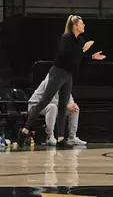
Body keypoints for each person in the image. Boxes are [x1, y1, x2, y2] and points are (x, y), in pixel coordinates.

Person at [17, 15, 106, 147]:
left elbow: (77, 60)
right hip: (58, 73)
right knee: (44, 101)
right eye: (81, 24)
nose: (84, 26)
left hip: (68, 75)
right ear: (75, 26)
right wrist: (82, 50)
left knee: (63, 106)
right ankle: (24, 131)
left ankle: (60, 138)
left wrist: (91, 57)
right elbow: (66, 55)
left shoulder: (78, 40)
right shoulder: (66, 38)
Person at [28, 73, 87, 146]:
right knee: (53, 107)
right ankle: (50, 136)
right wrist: (67, 106)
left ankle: (72, 137)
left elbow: (69, 97)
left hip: (54, 106)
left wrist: (72, 105)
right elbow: (49, 99)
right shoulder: (50, 80)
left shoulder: (65, 81)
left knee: (75, 109)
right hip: (34, 106)